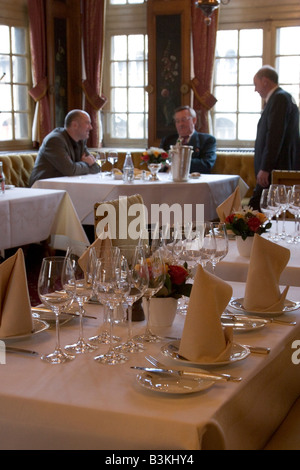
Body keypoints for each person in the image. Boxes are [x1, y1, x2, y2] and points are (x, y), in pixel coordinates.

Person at [249, 65, 300, 210]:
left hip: (275, 169)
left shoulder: (279, 98)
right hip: (276, 168)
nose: (255, 89)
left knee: (255, 210)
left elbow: (275, 135)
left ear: (265, 81)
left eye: (256, 84)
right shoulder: (282, 97)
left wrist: (265, 167)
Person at [29, 109, 100, 186]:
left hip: (66, 186)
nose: (91, 127)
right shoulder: (55, 140)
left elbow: (96, 168)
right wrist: (86, 163)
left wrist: (81, 166)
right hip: (43, 187)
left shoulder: (81, 141)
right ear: (74, 125)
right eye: (87, 123)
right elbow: (70, 170)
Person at [160, 106, 217, 174]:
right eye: (177, 121)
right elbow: (157, 162)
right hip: (165, 180)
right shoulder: (167, 140)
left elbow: (206, 164)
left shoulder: (207, 140)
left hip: (192, 181)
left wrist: (178, 161)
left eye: (184, 120)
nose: (180, 124)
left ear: (194, 120)